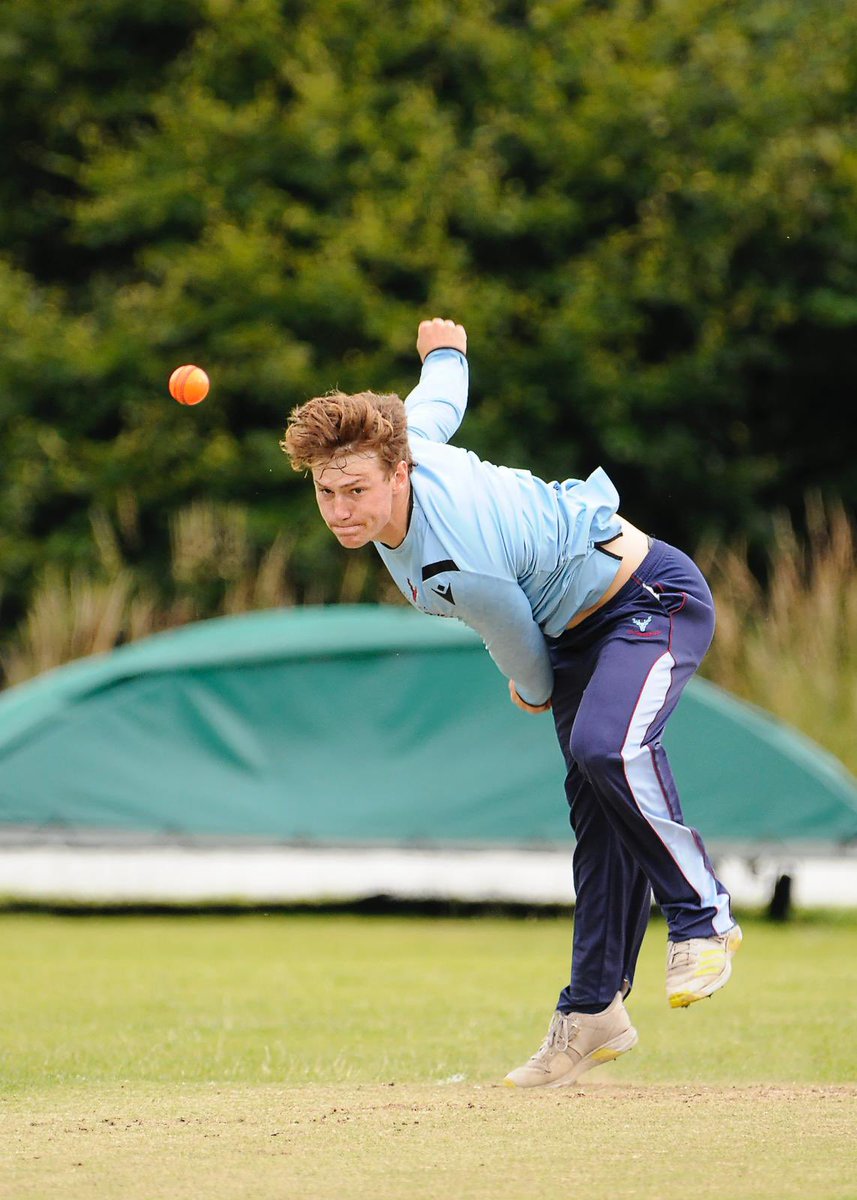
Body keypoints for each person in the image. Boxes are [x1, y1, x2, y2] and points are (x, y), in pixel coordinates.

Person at [281, 316, 742, 1088]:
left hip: (646, 599)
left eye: (354, 490)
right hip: (579, 631)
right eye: (326, 493)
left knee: (607, 750)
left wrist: (531, 693)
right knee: (598, 812)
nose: (339, 510)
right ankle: (593, 1010)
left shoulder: (446, 557)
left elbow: (518, 642)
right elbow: (436, 403)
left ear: (397, 475)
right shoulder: (406, 440)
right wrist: (446, 353)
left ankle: (702, 917)